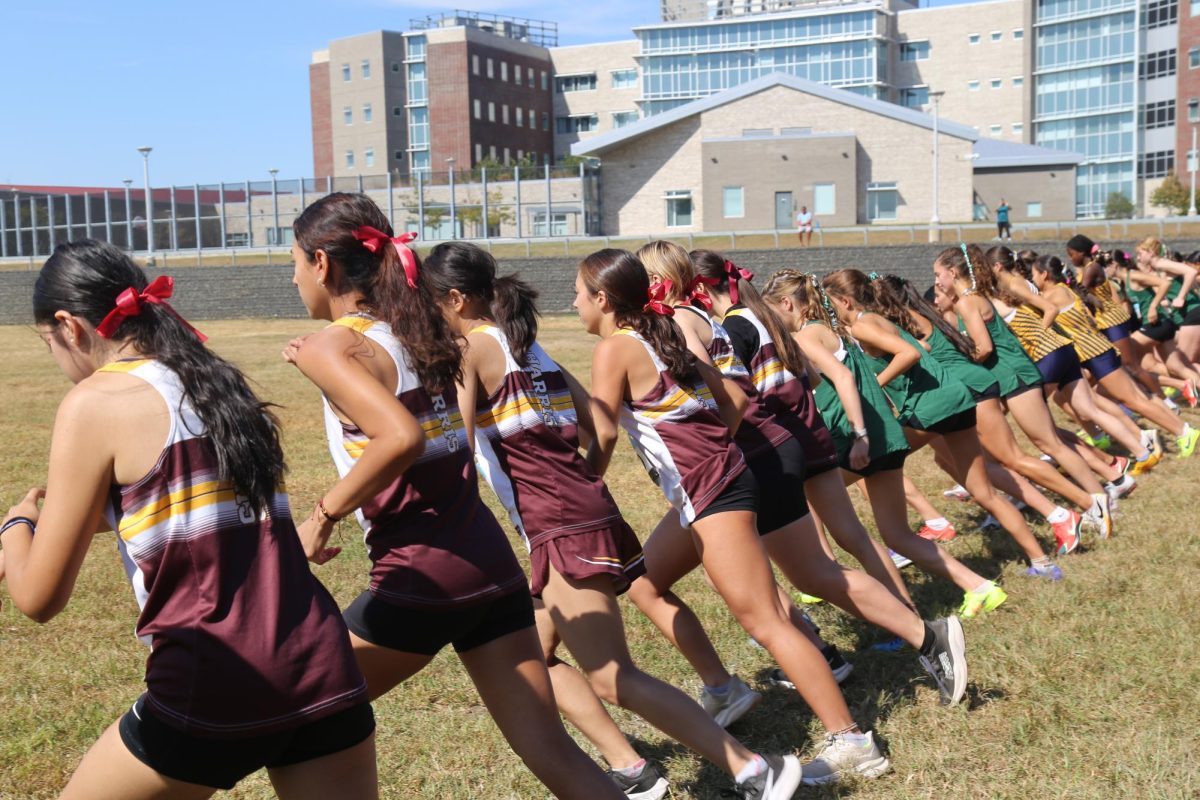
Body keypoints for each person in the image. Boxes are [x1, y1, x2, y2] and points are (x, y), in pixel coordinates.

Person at [0, 240, 378, 798]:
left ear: (69, 325)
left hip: (216, 676)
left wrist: (17, 526)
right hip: (321, 668)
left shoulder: (95, 401)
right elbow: (173, 506)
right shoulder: (214, 379)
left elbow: (39, 598)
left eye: (48, 343)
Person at [425, 241, 796, 800]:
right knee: (535, 654)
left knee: (611, 674)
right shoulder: (528, 346)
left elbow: (455, 442)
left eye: (429, 304)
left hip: (557, 523)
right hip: (577, 511)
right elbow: (597, 427)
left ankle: (752, 770)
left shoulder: (472, 349)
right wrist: (583, 484)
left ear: (453, 300)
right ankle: (632, 769)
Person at [285, 193, 625, 800]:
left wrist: (321, 515)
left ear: (320, 263)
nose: (291, 279)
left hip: (422, 578)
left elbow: (400, 438)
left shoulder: (332, 346)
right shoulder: (422, 332)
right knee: (550, 747)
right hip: (491, 568)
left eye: (291, 263)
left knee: (294, 713)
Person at [576, 248, 888, 789]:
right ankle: (722, 689)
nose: (575, 304)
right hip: (714, 481)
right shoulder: (658, 330)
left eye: (579, 294)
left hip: (711, 489)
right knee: (646, 580)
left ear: (602, 300)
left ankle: (851, 740)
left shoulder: (616, 348)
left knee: (764, 619)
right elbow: (735, 399)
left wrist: (583, 482)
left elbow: (602, 432)